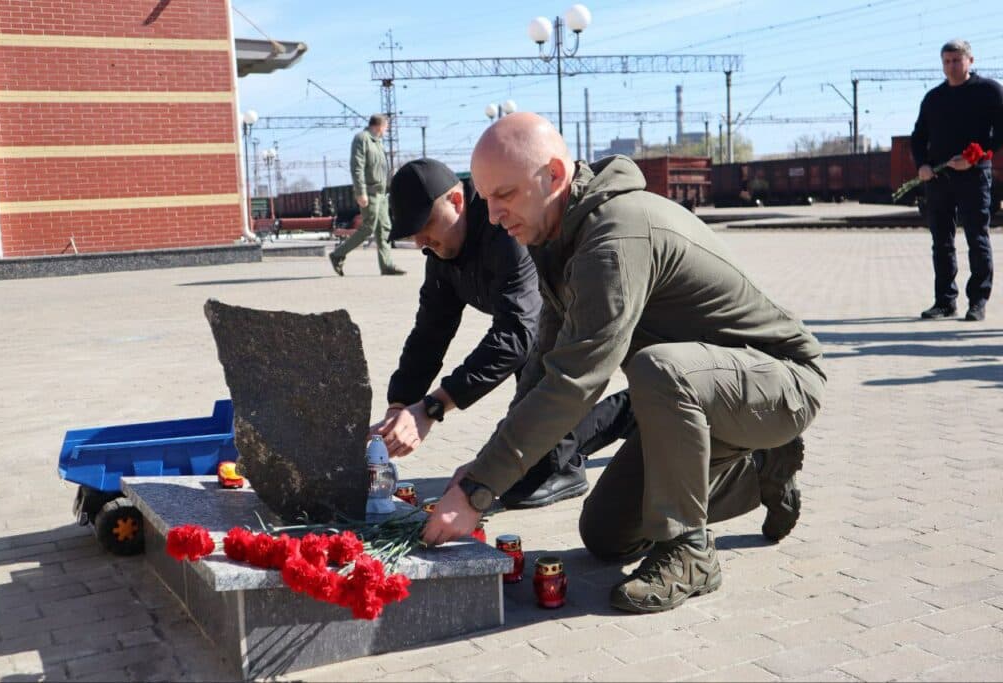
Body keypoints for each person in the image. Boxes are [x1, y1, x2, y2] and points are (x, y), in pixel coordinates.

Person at [421, 113, 826, 615]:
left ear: (553, 175)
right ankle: (760, 467)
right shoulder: (556, 240)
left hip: (779, 382)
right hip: (703, 398)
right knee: (605, 533)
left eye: (505, 194)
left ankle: (689, 553)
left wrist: (480, 489)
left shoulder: (614, 237)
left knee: (658, 369)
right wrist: (485, 470)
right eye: (485, 199)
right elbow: (546, 368)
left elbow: (576, 381)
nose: (496, 214)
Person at [372, 158, 635, 508]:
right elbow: (429, 332)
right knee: (519, 457)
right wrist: (401, 405)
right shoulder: (442, 250)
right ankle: (591, 433)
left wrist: (433, 407)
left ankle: (619, 422)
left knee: (526, 463)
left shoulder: (504, 230)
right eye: (412, 232)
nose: (421, 240)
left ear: (456, 200)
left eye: (426, 225)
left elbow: (515, 335)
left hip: (575, 322)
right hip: (536, 333)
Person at [912, 39, 1003, 322]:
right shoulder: (934, 98)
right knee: (941, 241)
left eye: (956, 60)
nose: (951, 66)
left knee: (977, 238)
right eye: (946, 61)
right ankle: (944, 301)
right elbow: (918, 136)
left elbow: (1000, 133)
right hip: (939, 178)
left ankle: (977, 301)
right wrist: (923, 165)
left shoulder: (989, 91)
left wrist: (974, 158)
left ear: (970, 61)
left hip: (974, 176)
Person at [329, 114, 405, 277]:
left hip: (381, 193)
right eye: (386, 127)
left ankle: (386, 265)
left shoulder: (378, 143)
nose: (387, 130)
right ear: (379, 126)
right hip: (369, 192)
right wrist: (360, 192)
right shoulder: (362, 139)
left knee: (384, 229)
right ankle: (337, 254)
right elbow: (357, 167)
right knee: (367, 228)